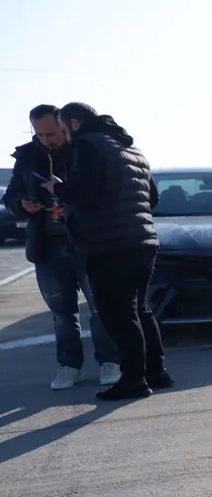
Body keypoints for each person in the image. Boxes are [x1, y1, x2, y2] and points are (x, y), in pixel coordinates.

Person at [42, 102, 171, 400]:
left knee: (119, 315)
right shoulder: (130, 148)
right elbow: (152, 197)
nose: (65, 136)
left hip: (109, 244)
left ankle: (134, 381)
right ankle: (156, 372)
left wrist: (57, 188)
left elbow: (83, 194)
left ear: (74, 123)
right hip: (143, 240)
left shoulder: (87, 145)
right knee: (140, 310)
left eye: (63, 130)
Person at [3, 104, 121, 390]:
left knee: (101, 307)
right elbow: (11, 196)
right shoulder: (27, 157)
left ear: (65, 127)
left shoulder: (84, 151)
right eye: (40, 134)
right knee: (62, 312)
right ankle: (69, 365)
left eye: (52, 133)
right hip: (48, 246)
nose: (47, 140)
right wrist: (22, 205)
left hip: (88, 243)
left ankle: (110, 361)